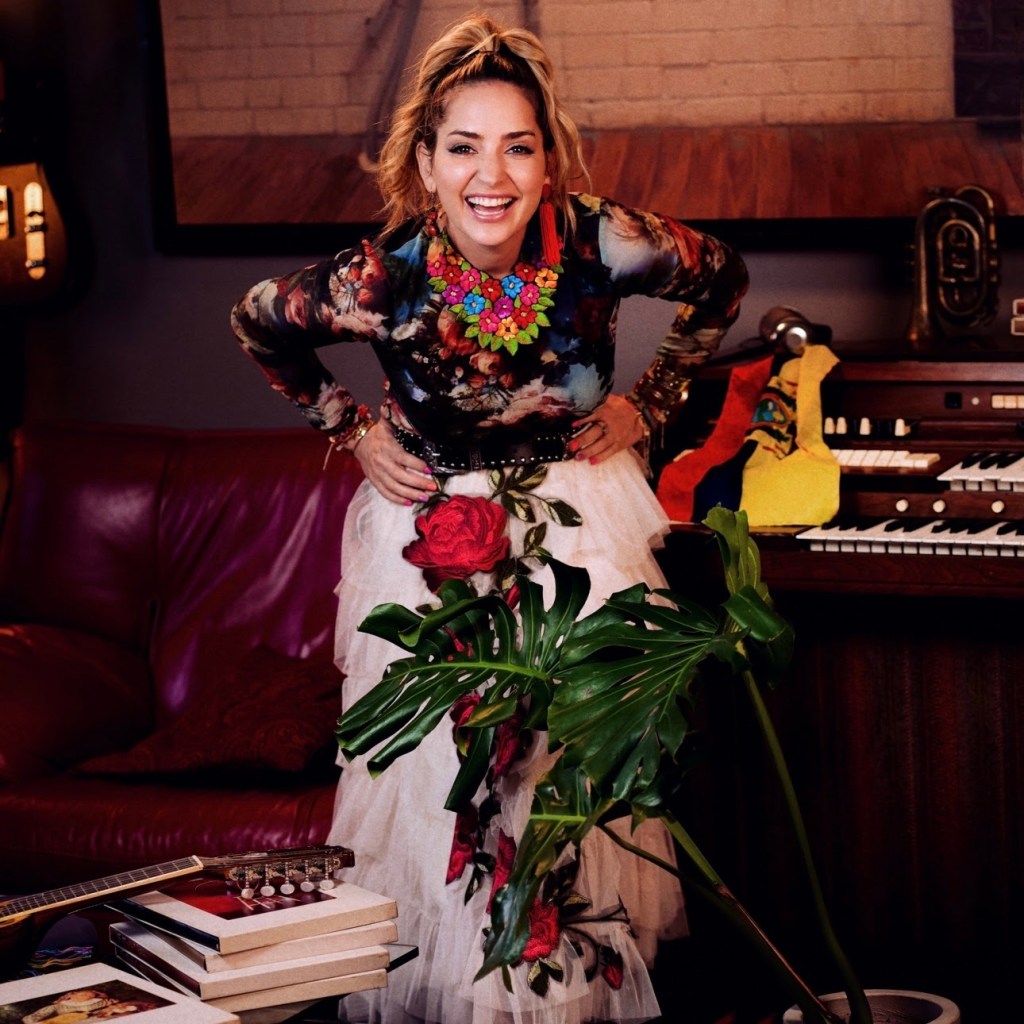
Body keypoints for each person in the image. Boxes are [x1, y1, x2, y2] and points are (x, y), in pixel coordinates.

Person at [230, 14, 748, 1023]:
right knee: (453, 800)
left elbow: (720, 278)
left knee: (566, 793)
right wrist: (349, 427)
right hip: (435, 550)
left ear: (548, 160)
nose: (492, 175)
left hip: (581, 526)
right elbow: (257, 323)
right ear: (426, 164)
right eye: (464, 147)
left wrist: (648, 402)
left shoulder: (600, 240)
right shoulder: (381, 275)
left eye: (517, 147)